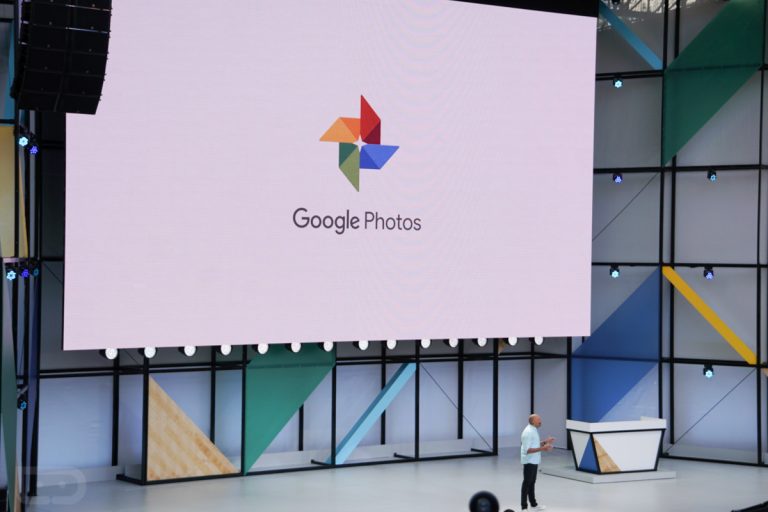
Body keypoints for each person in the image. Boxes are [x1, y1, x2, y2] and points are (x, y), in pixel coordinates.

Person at [520, 414, 554, 512]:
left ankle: (533, 505)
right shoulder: (528, 432)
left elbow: (534, 444)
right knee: (527, 483)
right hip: (529, 461)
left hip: (534, 461)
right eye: (538, 419)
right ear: (532, 421)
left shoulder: (534, 430)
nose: (540, 421)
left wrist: (545, 442)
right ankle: (524, 507)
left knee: (532, 482)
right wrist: (543, 448)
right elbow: (528, 450)